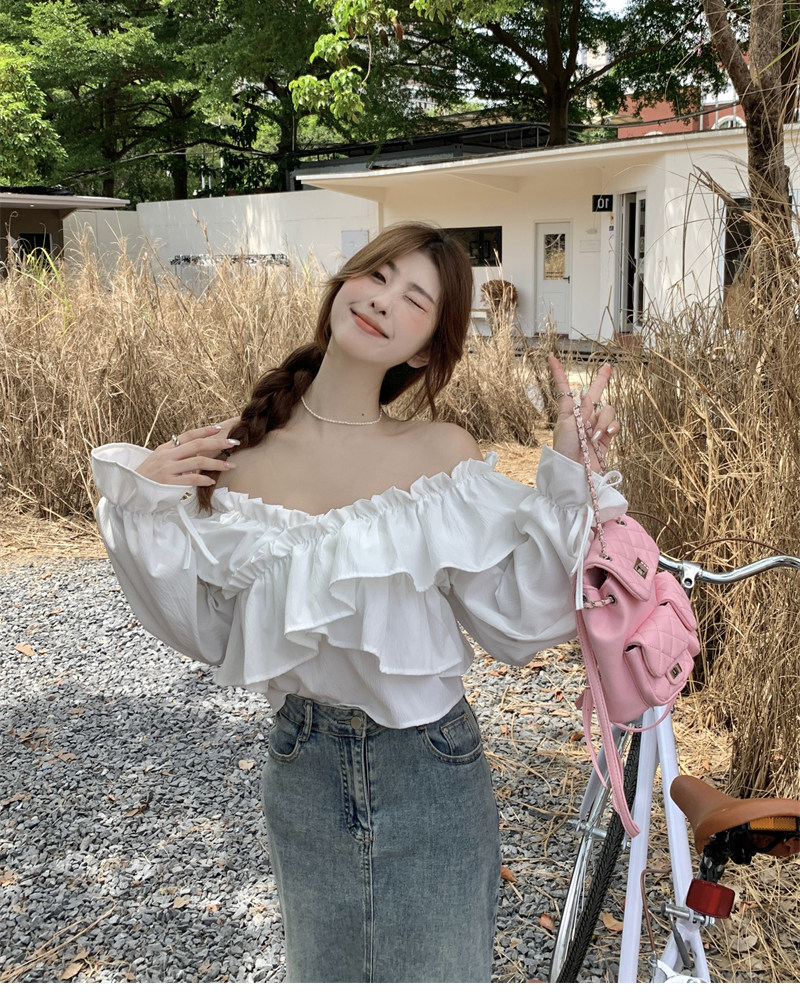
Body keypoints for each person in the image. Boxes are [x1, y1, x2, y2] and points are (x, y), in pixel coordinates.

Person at [91, 221, 625, 983]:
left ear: (425, 350)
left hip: (431, 771)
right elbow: (203, 630)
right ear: (343, 284)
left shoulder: (440, 455)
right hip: (302, 770)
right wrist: (141, 502)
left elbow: (516, 623)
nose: (382, 300)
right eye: (377, 275)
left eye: (415, 300)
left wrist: (570, 476)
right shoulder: (236, 458)